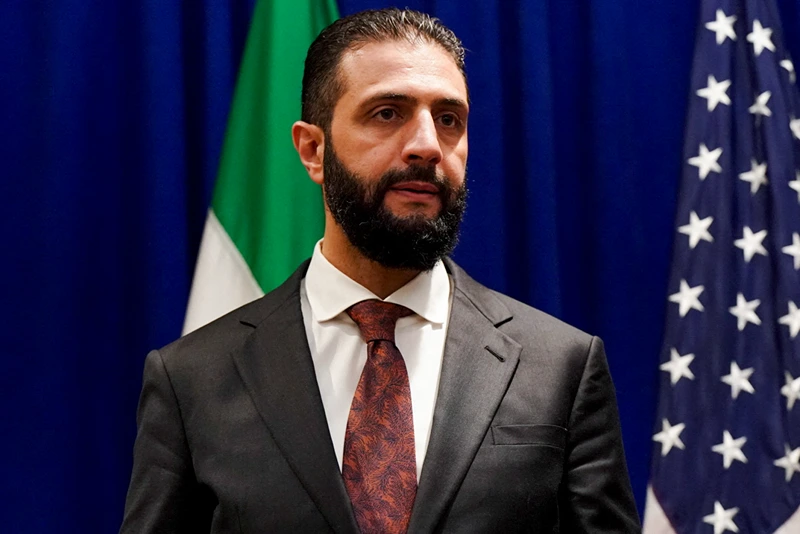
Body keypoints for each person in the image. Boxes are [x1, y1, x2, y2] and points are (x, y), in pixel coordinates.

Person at [120, 8, 640, 533]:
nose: (427, 146)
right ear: (313, 149)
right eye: (388, 113)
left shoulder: (562, 368)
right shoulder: (192, 379)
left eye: (449, 119)